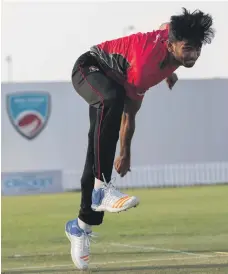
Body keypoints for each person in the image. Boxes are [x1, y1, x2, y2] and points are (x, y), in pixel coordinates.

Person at [65, 8, 214, 270]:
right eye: (187, 49)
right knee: (113, 99)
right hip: (89, 68)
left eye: (197, 49)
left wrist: (125, 153)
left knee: (94, 152)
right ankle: (102, 190)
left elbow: (165, 24)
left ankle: (80, 227)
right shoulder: (146, 69)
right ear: (171, 45)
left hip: (110, 81)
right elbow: (128, 115)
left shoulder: (171, 36)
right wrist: (125, 152)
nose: (192, 55)